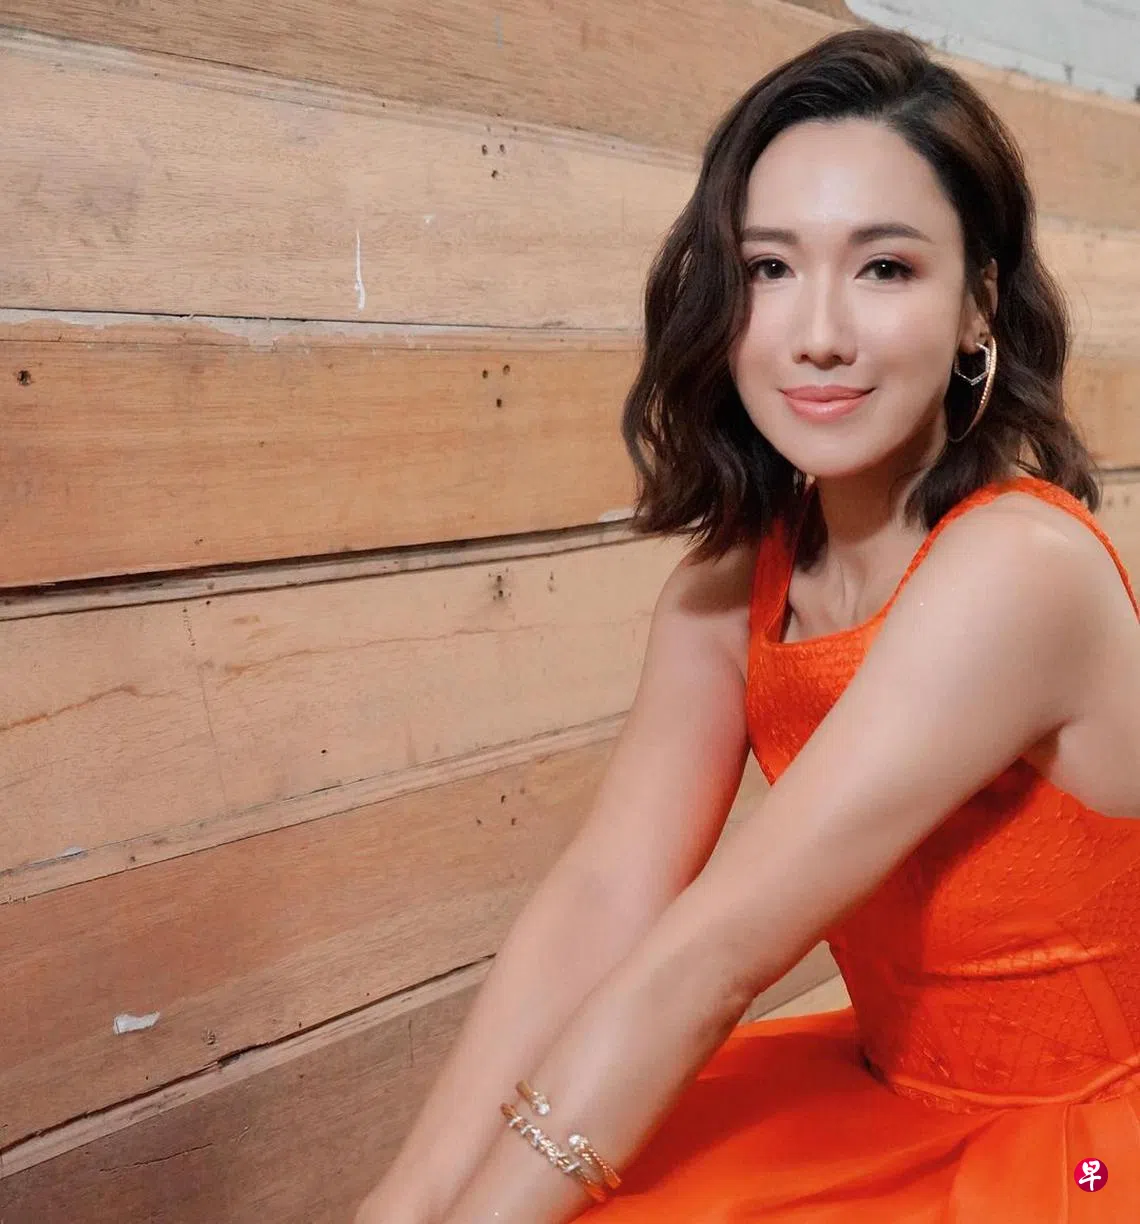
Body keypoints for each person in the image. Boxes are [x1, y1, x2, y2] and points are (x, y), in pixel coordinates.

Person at [356, 27, 1140, 1224]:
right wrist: (403, 1205)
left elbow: (711, 958)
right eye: (770, 268)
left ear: (979, 304)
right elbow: (606, 898)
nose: (817, 332)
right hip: (890, 1100)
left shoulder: (1017, 571)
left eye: (885, 268)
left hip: (1088, 1148)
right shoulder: (730, 585)